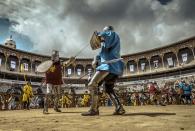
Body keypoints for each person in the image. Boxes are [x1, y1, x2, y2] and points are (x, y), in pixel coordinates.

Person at [82, 25, 125, 116]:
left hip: (108, 67)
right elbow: (100, 55)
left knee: (92, 84)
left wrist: (98, 34)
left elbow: (107, 34)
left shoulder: (113, 34)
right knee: (108, 89)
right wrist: (95, 60)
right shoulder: (105, 46)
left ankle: (94, 109)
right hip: (114, 69)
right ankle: (119, 108)